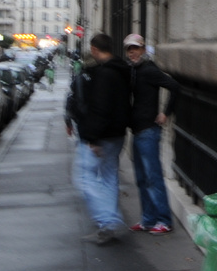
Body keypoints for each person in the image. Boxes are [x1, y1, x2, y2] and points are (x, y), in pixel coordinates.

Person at [64, 33, 131, 244]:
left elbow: (101, 107)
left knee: (84, 177)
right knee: (110, 177)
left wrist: (92, 137)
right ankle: (109, 224)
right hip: (118, 134)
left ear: (94, 49)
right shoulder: (123, 70)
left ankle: (108, 219)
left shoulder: (103, 74)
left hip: (101, 135)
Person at [123, 34, 180, 234]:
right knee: (141, 178)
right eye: (129, 49)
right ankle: (148, 219)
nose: (132, 52)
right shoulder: (132, 71)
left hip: (148, 131)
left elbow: (174, 86)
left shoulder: (149, 70)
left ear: (143, 49)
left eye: (135, 49)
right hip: (137, 132)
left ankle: (164, 220)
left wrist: (165, 113)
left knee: (153, 177)